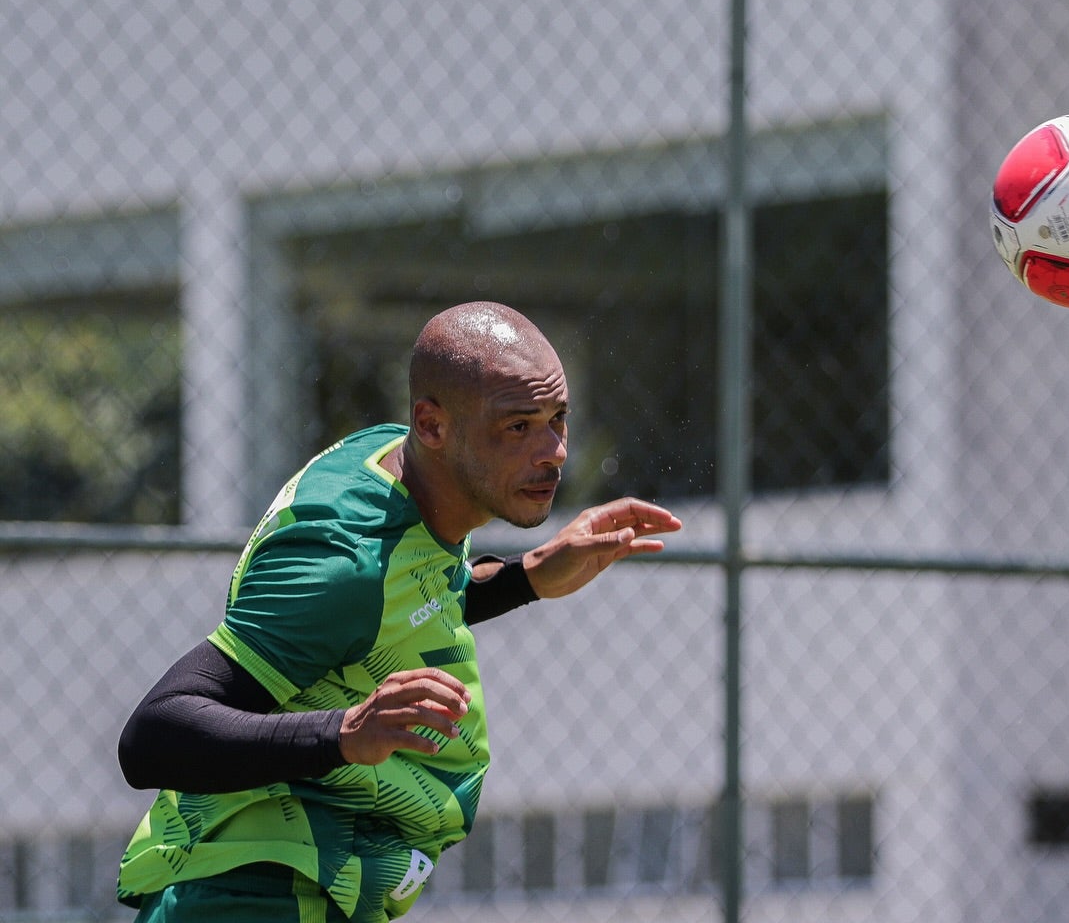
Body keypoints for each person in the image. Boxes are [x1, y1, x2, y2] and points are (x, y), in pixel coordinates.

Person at [115, 301, 682, 922]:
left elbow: (403, 601)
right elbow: (154, 734)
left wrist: (528, 576)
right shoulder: (344, 567)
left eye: (558, 418)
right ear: (433, 426)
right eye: (518, 427)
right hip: (253, 893)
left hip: (309, 887)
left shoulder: (399, 465)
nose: (553, 451)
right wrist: (344, 734)